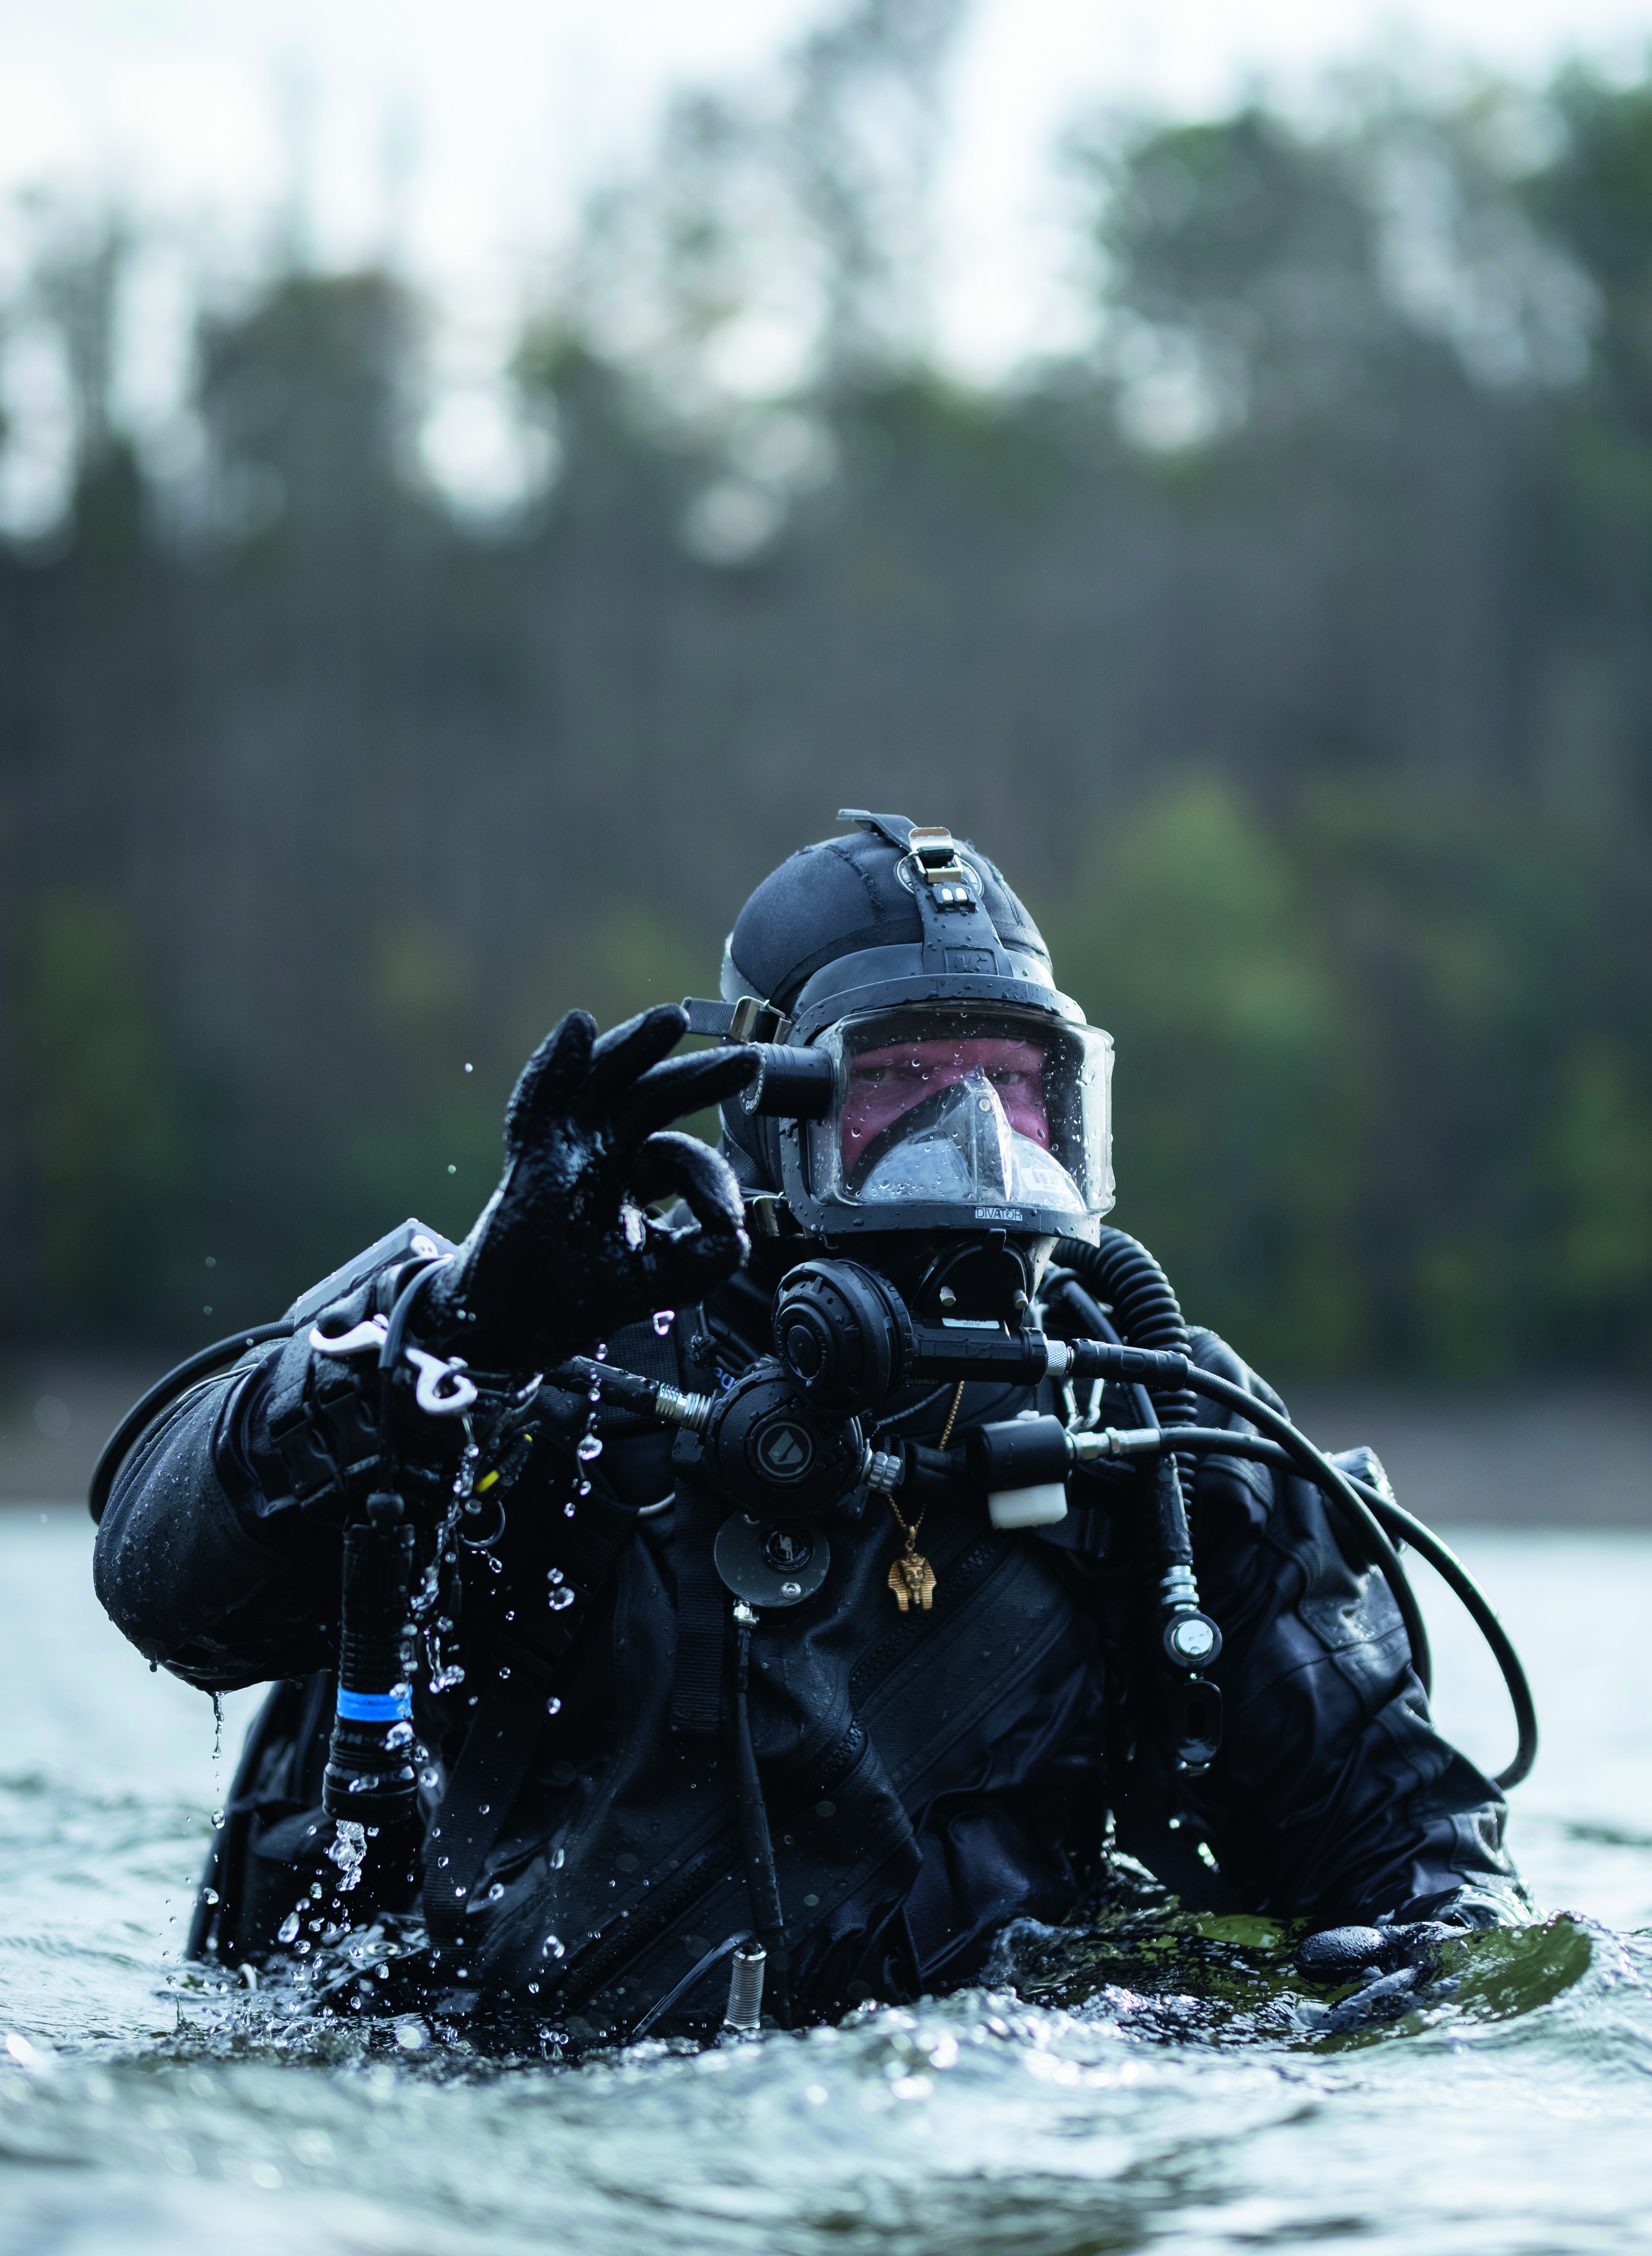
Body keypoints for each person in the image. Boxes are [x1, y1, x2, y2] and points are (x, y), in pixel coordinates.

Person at [94, 811, 1525, 2042]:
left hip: (985, 2123)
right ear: (775, 1113)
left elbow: (1413, 1859)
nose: (973, 1139)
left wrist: (1366, 1999)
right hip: (523, 2122)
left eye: (1016, 1088)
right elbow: (162, 1590)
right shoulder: (549, 1364)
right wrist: (465, 1330)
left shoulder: (1145, 1428)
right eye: (903, 1084)